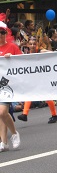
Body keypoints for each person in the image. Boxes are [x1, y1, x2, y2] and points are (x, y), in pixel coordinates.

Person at [0, 21, 21, 152]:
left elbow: (23, 64)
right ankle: (4, 142)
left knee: (2, 112)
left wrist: (12, 58)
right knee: (1, 114)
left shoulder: (12, 47)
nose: (0, 35)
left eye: (2, 32)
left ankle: (14, 133)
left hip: (7, 85)